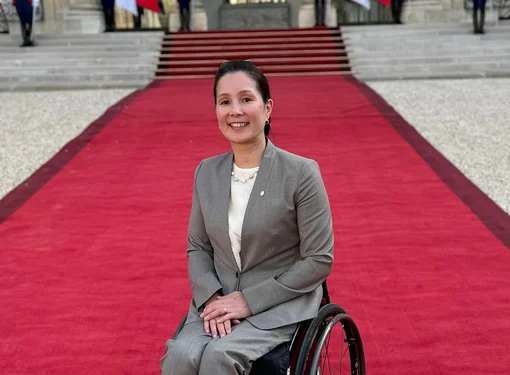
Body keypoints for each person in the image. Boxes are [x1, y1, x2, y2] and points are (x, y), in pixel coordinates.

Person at [160, 60, 334, 375]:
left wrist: (248, 301)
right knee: (180, 358)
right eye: (224, 102)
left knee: (219, 358)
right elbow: (198, 247)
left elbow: (319, 260)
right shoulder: (206, 172)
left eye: (246, 99)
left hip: (279, 302)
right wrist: (213, 297)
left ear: (267, 109)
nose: (235, 111)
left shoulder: (300, 173)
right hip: (218, 300)